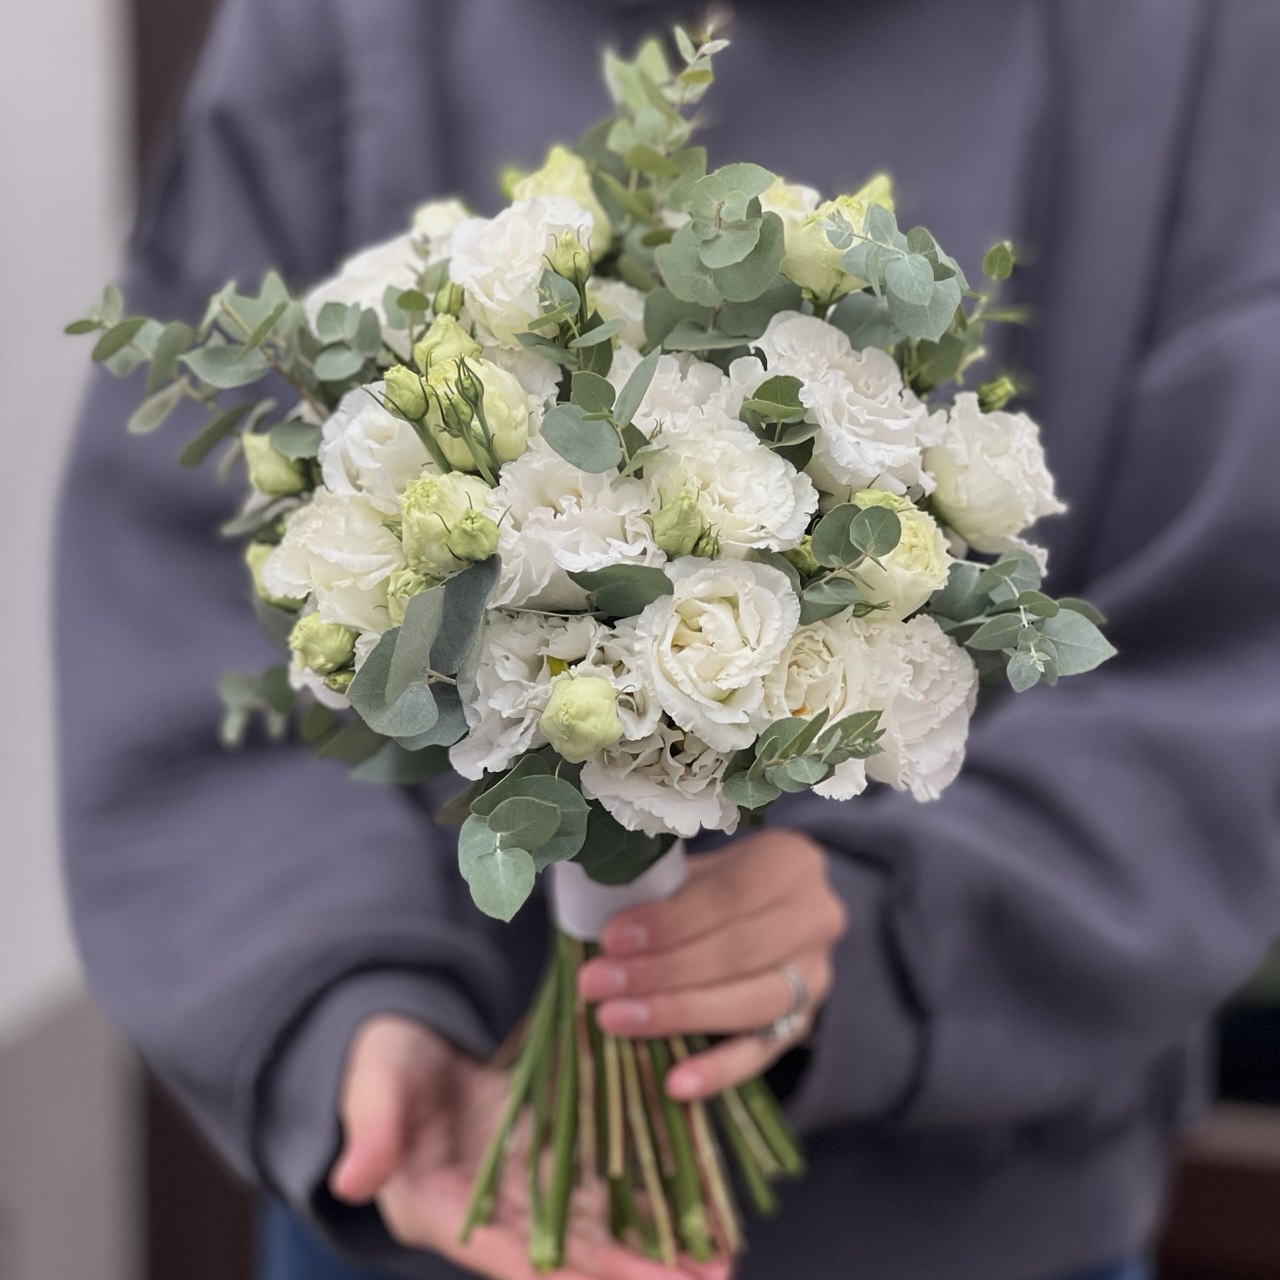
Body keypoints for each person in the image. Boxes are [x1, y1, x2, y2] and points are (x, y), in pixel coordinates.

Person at [57, 2, 1280, 1279]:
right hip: (446, 1183)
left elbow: (1228, 669)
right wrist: (341, 1004)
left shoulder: (1176, 37)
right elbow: (184, 593)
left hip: (966, 1222)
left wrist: (882, 935)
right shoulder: (343, 25)